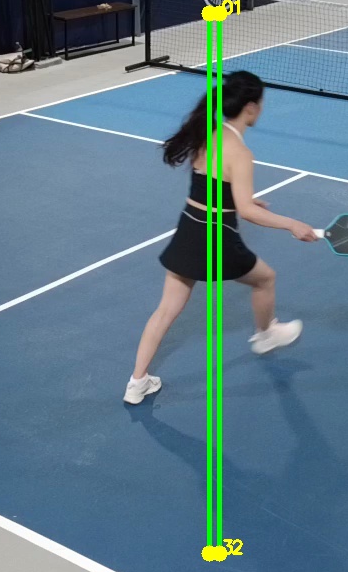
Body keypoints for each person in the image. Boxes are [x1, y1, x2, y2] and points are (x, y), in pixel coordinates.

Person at [125, 71, 318, 405]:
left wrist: (241, 199)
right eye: (261, 103)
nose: (261, 109)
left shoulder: (208, 134)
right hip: (216, 237)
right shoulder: (240, 152)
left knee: (166, 310)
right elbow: (247, 211)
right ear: (250, 107)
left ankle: (136, 382)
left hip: (189, 227)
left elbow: (211, 184)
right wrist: (292, 224)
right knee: (265, 279)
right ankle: (265, 334)